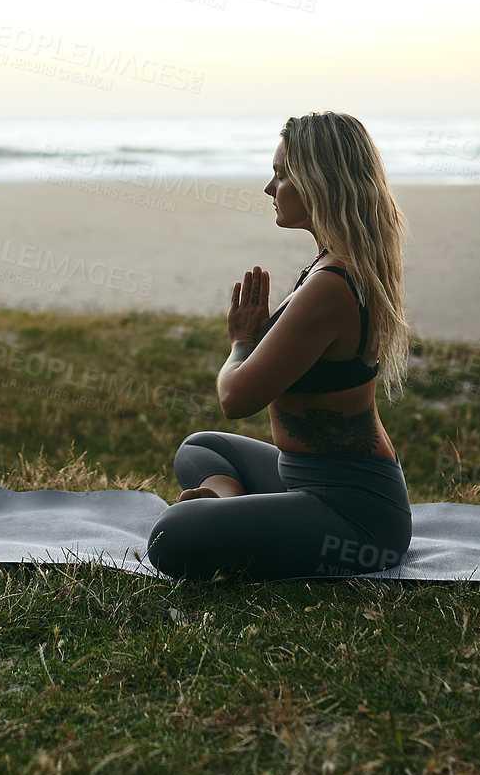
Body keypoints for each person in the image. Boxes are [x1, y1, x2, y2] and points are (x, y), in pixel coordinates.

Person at [145, 111, 413, 581]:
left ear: (319, 182)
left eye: (282, 174)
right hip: (301, 475)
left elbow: (235, 398)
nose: (270, 189)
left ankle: (226, 504)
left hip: (357, 516)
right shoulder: (334, 265)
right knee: (200, 448)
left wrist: (242, 342)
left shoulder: (332, 285)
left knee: (171, 536)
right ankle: (225, 497)